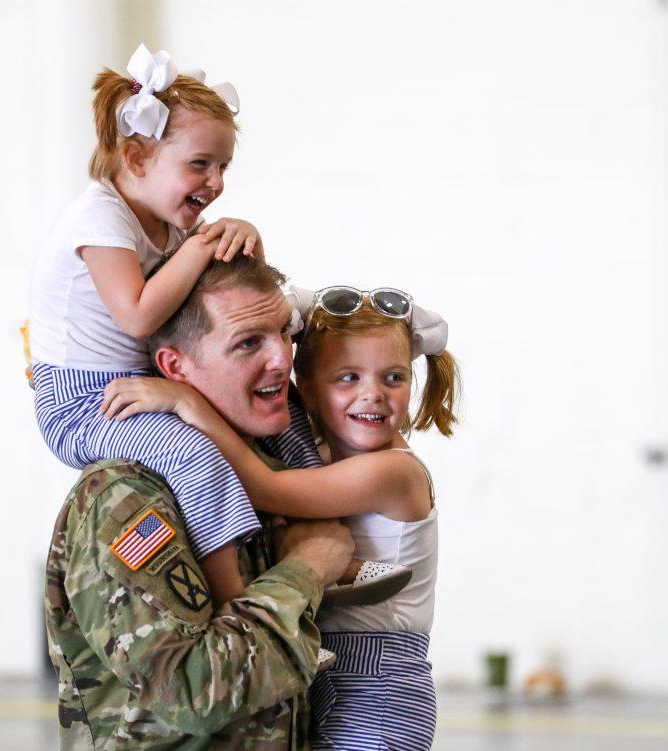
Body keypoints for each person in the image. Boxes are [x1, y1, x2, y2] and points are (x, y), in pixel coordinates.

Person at [44, 256, 433, 751]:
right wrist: (306, 569)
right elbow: (193, 691)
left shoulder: (269, 467)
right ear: (175, 369)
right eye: (249, 343)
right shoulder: (128, 498)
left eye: (283, 332)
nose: (282, 359)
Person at [28, 43, 399, 608]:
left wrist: (239, 235)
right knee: (191, 452)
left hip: (141, 379)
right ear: (135, 157)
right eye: (200, 164)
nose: (216, 182)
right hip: (84, 405)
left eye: (223, 166)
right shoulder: (99, 217)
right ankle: (240, 601)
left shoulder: (171, 225)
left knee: (289, 414)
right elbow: (139, 314)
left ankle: (324, 548)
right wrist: (203, 245)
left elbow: (222, 300)